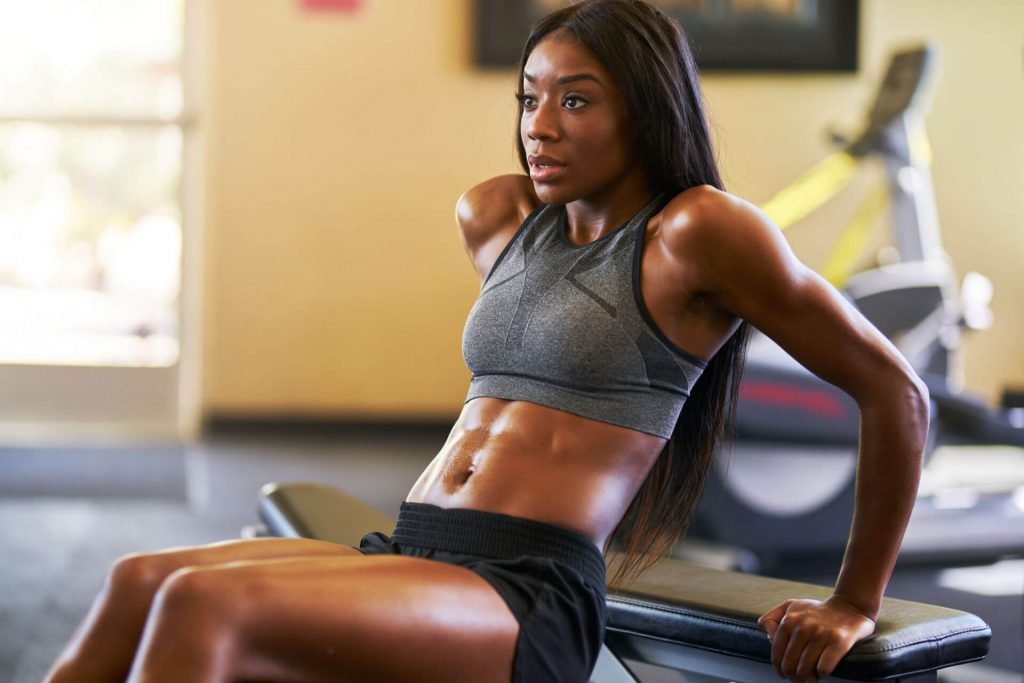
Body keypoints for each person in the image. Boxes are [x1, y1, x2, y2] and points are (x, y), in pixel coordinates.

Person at [45, 1, 930, 682]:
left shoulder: (697, 233)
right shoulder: (501, 216)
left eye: (575, 101)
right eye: (529, 98)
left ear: (647, 110)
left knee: (206, 602)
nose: (539, 126)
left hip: (524, 592)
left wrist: (854, 599)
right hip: (416, 549)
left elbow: (896, 392)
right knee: (138, 577)